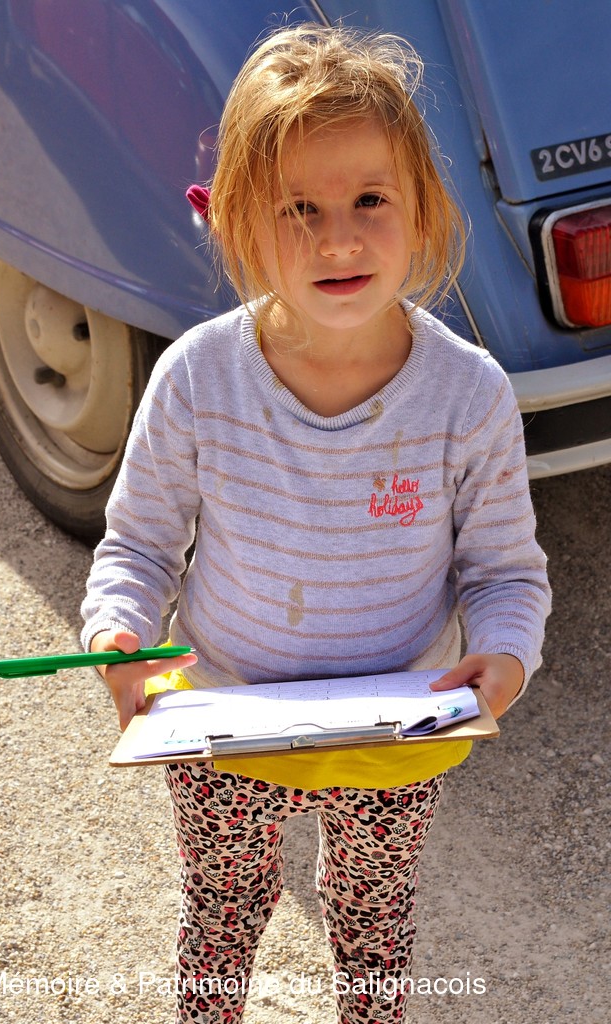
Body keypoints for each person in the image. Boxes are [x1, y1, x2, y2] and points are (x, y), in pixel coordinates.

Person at [81, 23, 550, 1024]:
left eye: (370, 200)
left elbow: (504, 571)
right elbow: (140, 545)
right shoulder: (197, 379)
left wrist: (506, 657)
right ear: (237, 223)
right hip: (226, 714)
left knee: (374, 924)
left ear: (424, 209)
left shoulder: (468, 394)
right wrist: (118, 632)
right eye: (299, 209)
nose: (338, 239)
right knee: (222, 911)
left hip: (396, 719)